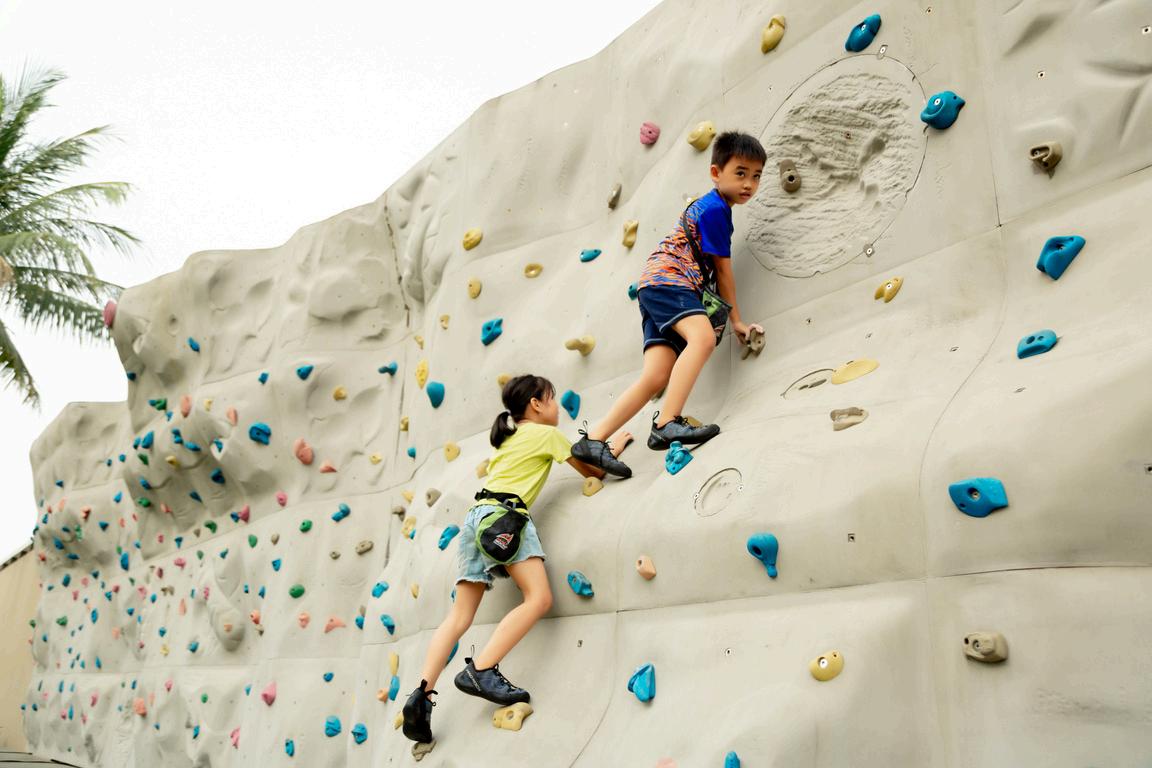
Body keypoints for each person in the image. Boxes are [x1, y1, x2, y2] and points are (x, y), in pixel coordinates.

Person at [402, 374, 632, 743]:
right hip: (505, 519)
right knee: (538, 598)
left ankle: (421, 696)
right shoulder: (547, 434)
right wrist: (613, 447)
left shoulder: (507, 440)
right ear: (536, 404)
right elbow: (593, 470)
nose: (555, 406)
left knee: (459, 616)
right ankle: (481, 669)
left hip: (475, 519)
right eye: (551, 398)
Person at [572, 131, 767, 476]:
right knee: (702, 339)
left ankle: (594, 441)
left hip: (653, 284)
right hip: (671, 280)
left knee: (656, 375)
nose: (749, 183)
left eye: (756, 175)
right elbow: (724, 272)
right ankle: (666, 423)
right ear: (715, 173)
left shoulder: (711, 207)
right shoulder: (715, 211)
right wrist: (736, 320)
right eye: (740, 173)